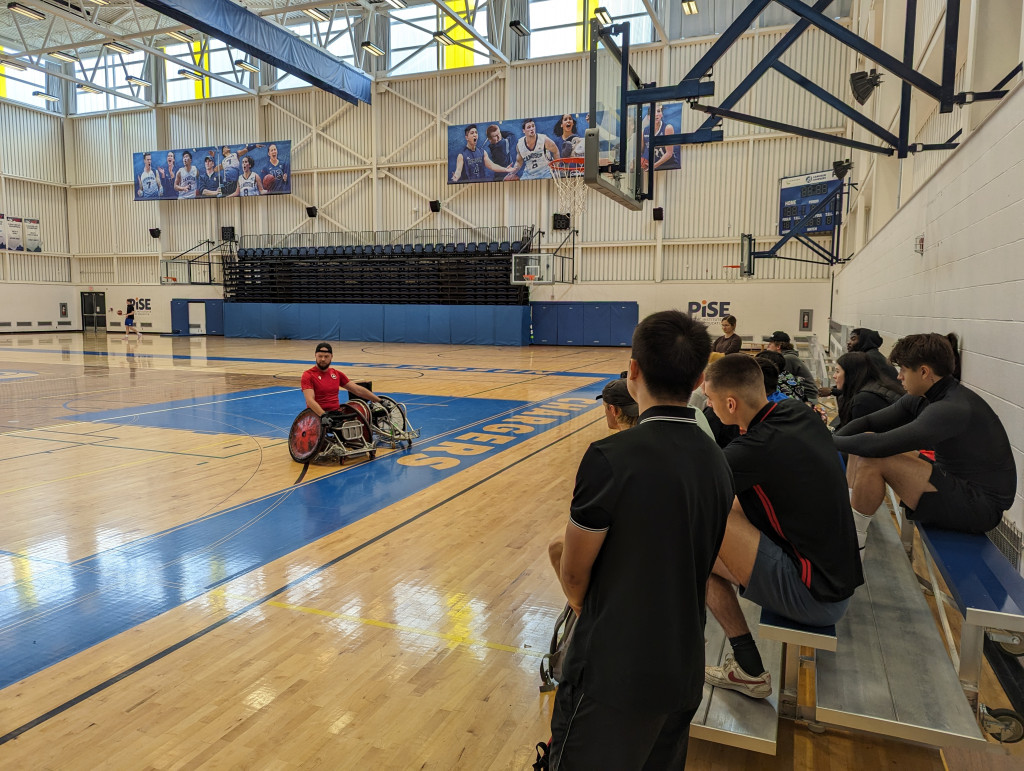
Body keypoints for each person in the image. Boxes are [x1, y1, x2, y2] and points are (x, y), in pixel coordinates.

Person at [549, 311, 733, 769]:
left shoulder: (611, 456)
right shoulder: (716, 457)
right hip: (683, 663)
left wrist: (587, 610)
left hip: (613, 673)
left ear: (633, 371)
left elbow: (574, 573)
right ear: (697, 378)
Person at [702, 354, 863, 698]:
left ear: (730, 404)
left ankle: (746, 667)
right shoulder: (796, 413)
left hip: (815, 597)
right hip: (835, 580)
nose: (707, 405)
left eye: (709, 400)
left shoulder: (754, 448)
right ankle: (745, 663)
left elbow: (688, 497)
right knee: (706, 538)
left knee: (701, 528)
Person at [835, 333, 1016, 545]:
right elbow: (868, 423)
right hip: (956, 484)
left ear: (923, 372)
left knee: (874, 456)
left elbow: (877, 447)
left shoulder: (950, 408)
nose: (899, 376)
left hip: (980, 506)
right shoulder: (925, 397)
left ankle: (852, 547)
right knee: (865, 439)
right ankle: (849, 521)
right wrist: (833, 438)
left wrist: (822, 441)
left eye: (903, 370)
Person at [301, 343, 382, 421]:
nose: (323, 359)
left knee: (361, 418)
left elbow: (357, 390)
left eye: (326, 356)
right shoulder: (308, 375)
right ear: (315, 355)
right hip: (317, 415)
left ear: (331, 357)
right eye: (320, 356)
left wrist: (379, 400)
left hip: (335, 413)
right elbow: (310, 400)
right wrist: (323, 415)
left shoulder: (337, 374)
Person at [831, 351, 903, 431]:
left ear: (850, 373)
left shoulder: (864, 400)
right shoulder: (875, 386)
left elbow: (856, 438)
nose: (834, 376)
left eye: (837, 371)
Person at [641, 104, 678, 171]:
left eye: (658, 111)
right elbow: (641, 151)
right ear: (649, 117)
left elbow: (669, 153)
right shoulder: (644, 131)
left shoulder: (667, 128)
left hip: (669, 166)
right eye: (653, 112)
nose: (656, 114)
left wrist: (653, 166)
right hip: (652, 166)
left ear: (662, 115)